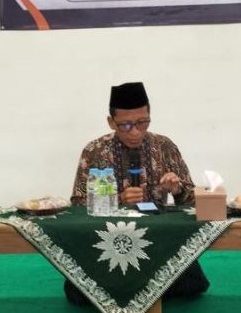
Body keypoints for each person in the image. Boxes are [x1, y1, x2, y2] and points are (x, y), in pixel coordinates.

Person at [65, 82, 208, 305]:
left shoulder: (164, 146)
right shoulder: (94, 151)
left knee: (193, 284)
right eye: (125, 125)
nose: (135, 132)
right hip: (107, 238)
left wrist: (177, 189)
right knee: (78, 294)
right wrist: (116, 199)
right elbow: (77, 204)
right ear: (111, 122)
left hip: (158, 238)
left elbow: (193, 199)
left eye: (143, 123)